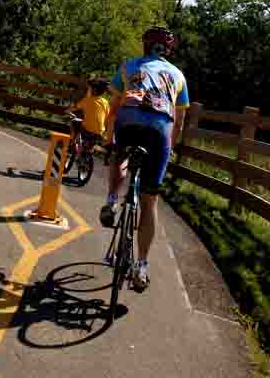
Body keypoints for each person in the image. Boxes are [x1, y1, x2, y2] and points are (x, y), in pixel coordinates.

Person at [102, 27, 189, 291]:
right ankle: (141, 266)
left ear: (145, 46)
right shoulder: (178, 75)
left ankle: (112, 201)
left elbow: (114, 104)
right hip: (160, 129)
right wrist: (170, 148)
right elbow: (180, 118)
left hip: (129, 119)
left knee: (120, 155)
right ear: (168, 50)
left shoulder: (128, 66)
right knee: (150, 202)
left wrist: (109, 135)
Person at [68, 77, 111, 155]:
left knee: (74, 122)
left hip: (87, 130)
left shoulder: (87, 100)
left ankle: (73, 140)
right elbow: (108, 117)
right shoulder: (106, 103)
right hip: (100, 132)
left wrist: (68, 111)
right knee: (89, 143)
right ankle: (90, 149)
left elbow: (75, 108)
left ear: (93, 90)